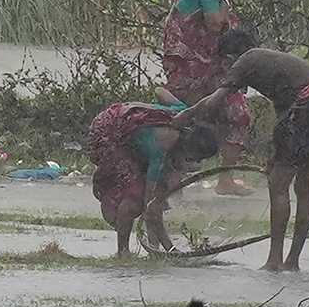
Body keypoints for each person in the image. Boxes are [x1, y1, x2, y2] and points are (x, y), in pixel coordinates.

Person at [176, 30, 309, 272]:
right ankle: (292, 262)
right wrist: (275, 154)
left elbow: (214, 101)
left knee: (278, 185)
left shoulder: (245, 61)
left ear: (230, 58)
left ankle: (274, 260)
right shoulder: (273, 62)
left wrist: (185, 115)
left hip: (307, 109)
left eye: (225, 64)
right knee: (305, 186)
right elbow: (285, 117)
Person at [161, 0, 252, 195]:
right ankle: (173, 178)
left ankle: (224, 179)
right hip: (192, 69)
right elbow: (214, 24)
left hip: (210, 69)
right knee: (185, 115)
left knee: (236, 114)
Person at [86, 100, 219, 255]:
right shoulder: (162, 151)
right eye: (197, 157)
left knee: (155, 195)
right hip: (108, 134)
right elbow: (151, 208)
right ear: (188, 147)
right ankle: (123, 252)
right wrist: (171, 249)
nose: (195, 161)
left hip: (120, 118)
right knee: (135, 197)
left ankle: (153, 248)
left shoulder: (182, 116)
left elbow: (160, 91)